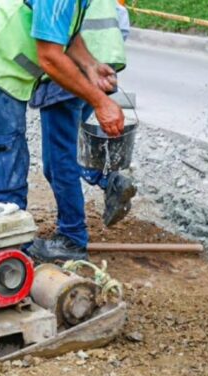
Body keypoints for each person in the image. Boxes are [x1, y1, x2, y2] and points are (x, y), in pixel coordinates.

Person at [0, 0, 125, 261]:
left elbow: (67, 32)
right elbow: (50, 56)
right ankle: (5, 261)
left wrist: (90, 65)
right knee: (6, 165)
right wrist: (100, 102)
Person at [27, 0, 137, 262]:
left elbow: (51, 48)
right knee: (67, 151)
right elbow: (120, 26)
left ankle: (72, 238)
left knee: (58, 161)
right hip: (98, 68)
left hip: (70, 71)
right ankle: (106, 179)